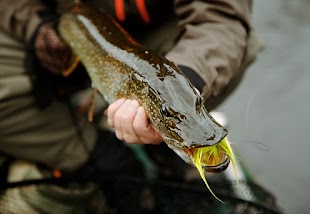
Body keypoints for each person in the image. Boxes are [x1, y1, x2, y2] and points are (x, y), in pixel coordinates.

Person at [0, 0, 270, 213]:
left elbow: (220, 15)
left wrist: (190, 80)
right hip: (55, 22)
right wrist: (35, 26)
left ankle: (165, 151)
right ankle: (93, 152)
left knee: (238, 46)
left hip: (150, 42)